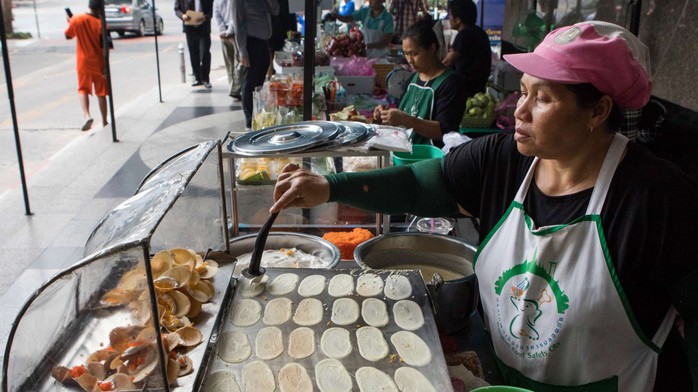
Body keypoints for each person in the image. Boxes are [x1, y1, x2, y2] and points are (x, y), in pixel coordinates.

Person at [271, 21, 698, 391]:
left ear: (598, 110)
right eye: (523, 93)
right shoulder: (503, 160)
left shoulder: (657, 198)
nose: (520, 111)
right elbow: (419, 185)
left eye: (543, 99)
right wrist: (329, 186)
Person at [373, 19, 466, 147]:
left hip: (431, 160)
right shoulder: (412, 79)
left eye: (414, 54)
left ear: (432, 48)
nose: (410, 60)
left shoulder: (451, 83)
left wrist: (407, 120)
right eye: (406, 54)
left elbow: (445, 131)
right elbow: (405, 112)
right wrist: (386, 115)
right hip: (406, 153)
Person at [232, 0, 280, 129]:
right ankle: (249, 122)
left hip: (264, 42)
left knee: (258, 83)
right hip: (250, 43)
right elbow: (238, 25)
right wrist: (242, 51)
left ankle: (257, 117)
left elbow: (276, 10)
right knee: (249, 84)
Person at [64, 0, 109, 131]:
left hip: (83, 62)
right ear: (101, 9)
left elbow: (68, 35)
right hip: (98, 63)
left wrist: (70, 22)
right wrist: (106, 66)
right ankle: (105, 121)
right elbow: (106, 48)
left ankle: (87, 115)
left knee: (83, 89)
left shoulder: (77, 19)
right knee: (101, 92)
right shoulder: (102, 24)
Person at [443, 0, 491, 98]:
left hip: (465, 89)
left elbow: (447, 63)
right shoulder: (480, 32)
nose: (449, 19)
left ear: (458, 19)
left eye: (451, 16)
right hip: (479, 89)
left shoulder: (463, 35)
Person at [175, 0, 213, 88]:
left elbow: (211, 11)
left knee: (205, 53)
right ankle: (198, 78)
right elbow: (177, 9)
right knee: (193, 53)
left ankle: (205, 79)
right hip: (190, 28)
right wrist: (182, 16)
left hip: (203, 28)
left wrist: (205, 17)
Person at [213, 0, 242, 99]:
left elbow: (217, 15)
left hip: (227, 32)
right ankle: (235, 89)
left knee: (230, 63)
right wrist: (227, 32)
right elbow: (235, 16)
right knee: (236, 62)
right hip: (234, 31)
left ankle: (234, 88)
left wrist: (222, 31)